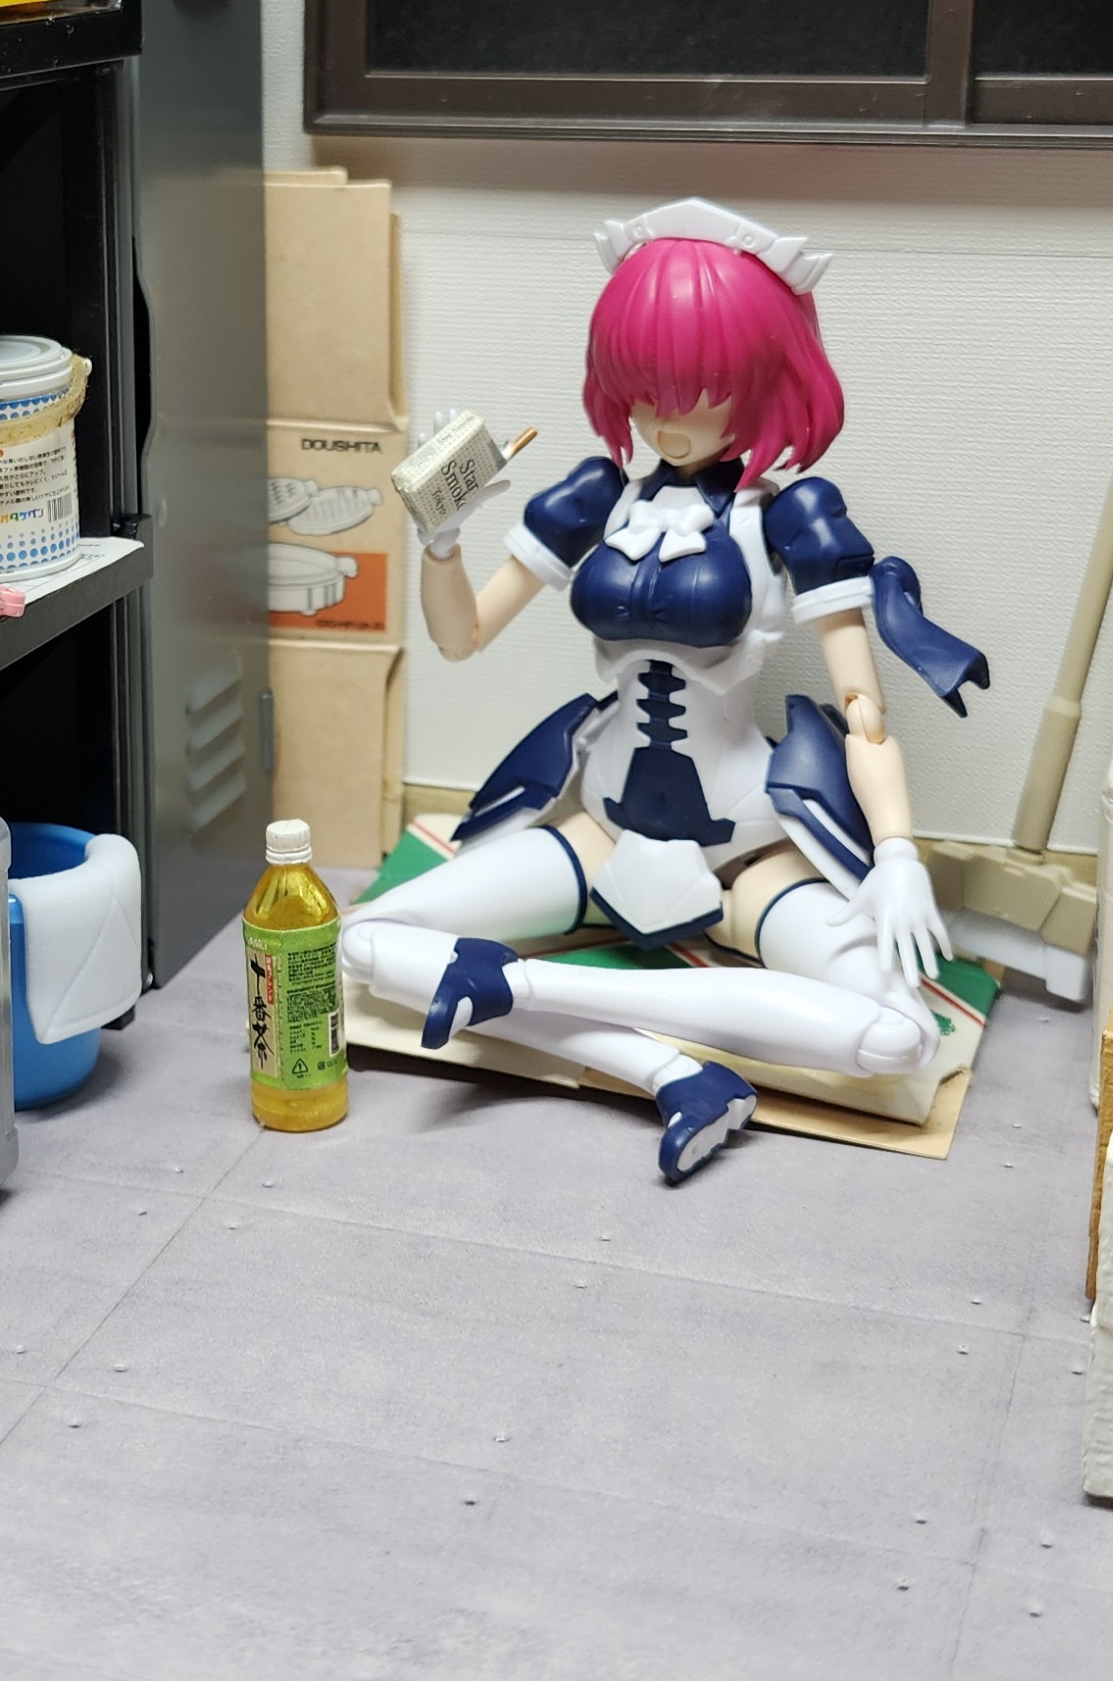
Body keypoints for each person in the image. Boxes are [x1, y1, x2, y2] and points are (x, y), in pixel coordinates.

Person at [341, 198, 987, 1180]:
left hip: (745, 857)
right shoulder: (599, 496)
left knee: (895, 1033)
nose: (661, 419)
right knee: (365, 941)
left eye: (692, 392)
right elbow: (462, 636)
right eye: (641, 391)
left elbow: (864, 712)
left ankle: (518, 989)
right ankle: (674, 1074)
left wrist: (895, 852)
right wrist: (440, 543)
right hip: (598, 834)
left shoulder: (790, 517)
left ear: (760, 377)